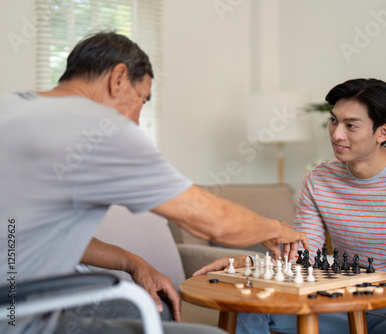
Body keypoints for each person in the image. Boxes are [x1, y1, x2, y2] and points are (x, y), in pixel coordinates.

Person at [0, 31, 308, 334]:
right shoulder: (101, 131)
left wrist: (133, 262)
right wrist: (276, 229)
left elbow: (27, 235)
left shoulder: (11, 107)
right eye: (141, 100)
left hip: (13, 303)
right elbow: (213, 221)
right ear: (118, 78)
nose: (135, 121)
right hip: (27, 317)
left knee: (151, 308)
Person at [195, 78, 386, 333]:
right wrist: (252, 265)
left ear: (383, 131)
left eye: (351, 125)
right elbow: (304, 254)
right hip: (337, 303)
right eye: (333, 121)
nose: (336, 134)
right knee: (247, 303)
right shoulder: (319, 178)